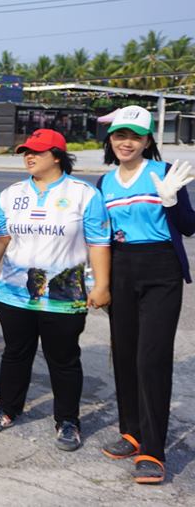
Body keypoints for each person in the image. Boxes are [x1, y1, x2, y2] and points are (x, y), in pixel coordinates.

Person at [0, 129, 111, 452]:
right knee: (15, 354)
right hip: (14, 294)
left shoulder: (83, 194)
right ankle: (8, 408)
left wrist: (102, 284)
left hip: (64, 299)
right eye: (26, 151)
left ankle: (67, 420)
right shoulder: (12, 194)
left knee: (63, 360)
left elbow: (98, 242)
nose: (29, 156)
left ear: (57, 156)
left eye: (37, 151)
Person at [96, 106, 195, 484]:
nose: (126, 142)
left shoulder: (164, 174)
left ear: (148, 141)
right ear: (111, 140)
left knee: (151, 359)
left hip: (160, 272)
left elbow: (188, 226)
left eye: (135, 137)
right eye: (120, 135)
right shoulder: (104, 183)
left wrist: (171, 202)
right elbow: (99, 236)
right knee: (123, 354)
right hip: (121, 269)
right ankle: (132, 431)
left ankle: (153, 449)